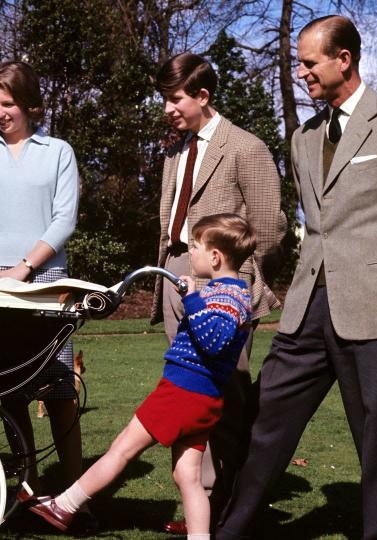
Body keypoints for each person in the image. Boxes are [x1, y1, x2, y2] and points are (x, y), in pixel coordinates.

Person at [215, 15, 377, 540]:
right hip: (307, 307)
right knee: (264, 419)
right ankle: (231, 529)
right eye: (299, 63)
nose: (301, 73)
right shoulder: (303, 138)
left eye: (309, 62)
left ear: (343, 59)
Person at [24, 214, 255, 538]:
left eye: (197, 248)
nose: (192, 254)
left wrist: (192, 299)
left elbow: (213, 340)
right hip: (203, 398)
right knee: (187, 476)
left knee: (121, 449)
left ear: (215, 257)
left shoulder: (227, 297)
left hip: (183, 392)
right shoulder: (231, 293)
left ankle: (64, 505)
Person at [151, 52, 286, 535]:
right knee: (186, 390)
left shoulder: (245, 148)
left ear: (202, 96)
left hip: (222, 287)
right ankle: (199, 504)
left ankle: (235, 502)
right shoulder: (174, 151)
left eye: (175, 98)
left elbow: (269, 227)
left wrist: (239, 284)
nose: (167, 107)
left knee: (228, 392)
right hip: (175, 276)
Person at [0, 61, 87, 520]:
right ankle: (28, 488)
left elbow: (63, 220)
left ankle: (74, 493)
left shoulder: (58, 152)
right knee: (9, 389)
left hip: (48, 283)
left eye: (7, 103)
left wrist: (25, 269)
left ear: (30, 103)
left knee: (59, 388)